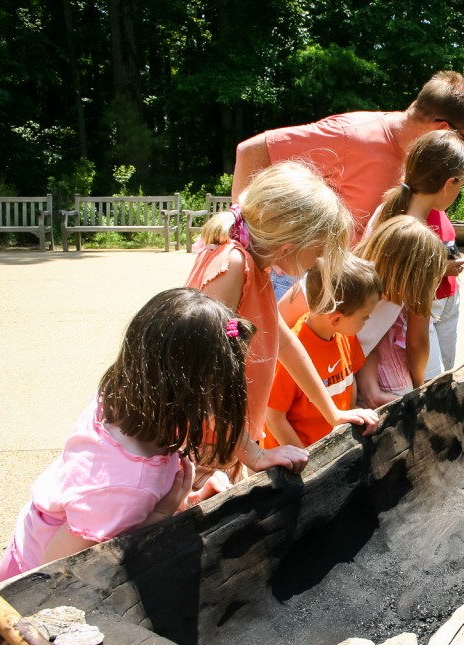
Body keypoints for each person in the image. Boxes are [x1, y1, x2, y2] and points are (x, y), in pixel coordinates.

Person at [0, 289, 254, 581]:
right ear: (190, 391)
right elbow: (56, 574)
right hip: (29, 588)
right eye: (217, 390)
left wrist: (183, 500)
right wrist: (163, 509)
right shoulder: (124, 488)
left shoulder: (121, 400)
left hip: (31, 535)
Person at [186, 160, 367, 481]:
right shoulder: (232, 268)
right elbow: (205, 377)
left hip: (229, 438)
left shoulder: (258, 267)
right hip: (202, 440)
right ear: (290, 246)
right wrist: (253, 453)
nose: (320, 260)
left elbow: (283, 341)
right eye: (320, 249)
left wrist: (333, 413)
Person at [232, 70, 464, 247]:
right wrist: (244, 240)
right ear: (442, 129)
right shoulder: (351, 135)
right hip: (313, 290)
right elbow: (251, 151)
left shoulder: (421, 158)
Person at [367, 129, 464, 377]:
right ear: (450, 184)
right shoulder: (418, 241)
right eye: (462, 184)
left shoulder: (388, 208)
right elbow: (416, 340)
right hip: (385, 343)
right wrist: (421, 387)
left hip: (371, 338)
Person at [264, 257, 382, 449]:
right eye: (364, 317)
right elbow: (273, 418)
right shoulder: (291, 354)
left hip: (331, 447)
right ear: (336, 319)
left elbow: (348, 382)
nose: (367, 321)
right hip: (296, 460)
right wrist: (307, 463)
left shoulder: (344, 335)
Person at [353, 215, 447, 406]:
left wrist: (370, 390)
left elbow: (365, 343)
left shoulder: (390, 297)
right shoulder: (350, 288)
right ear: (408, 275)